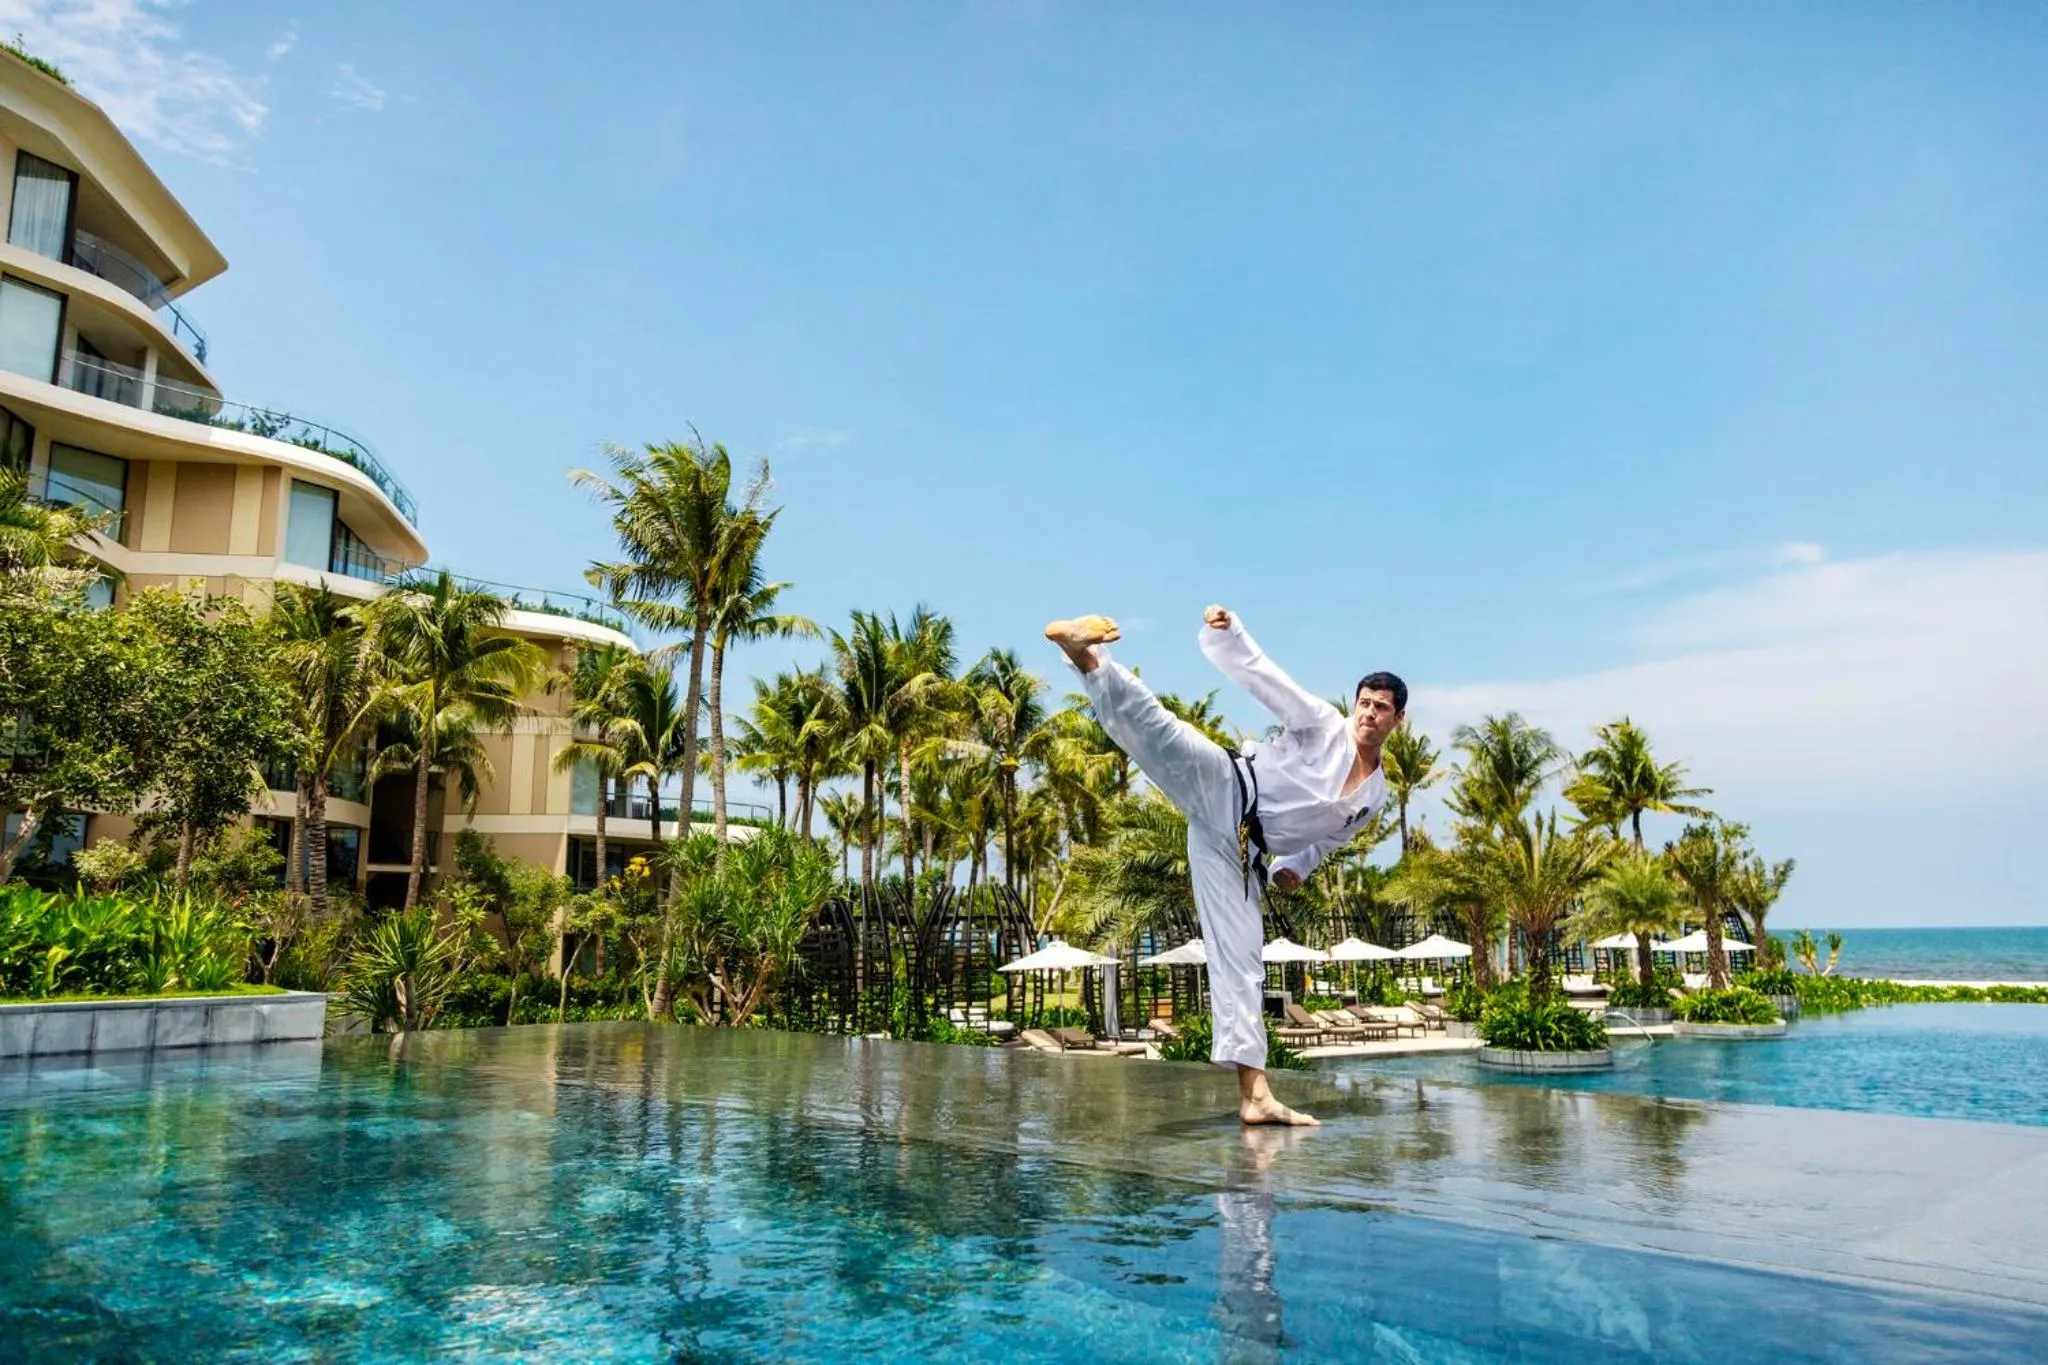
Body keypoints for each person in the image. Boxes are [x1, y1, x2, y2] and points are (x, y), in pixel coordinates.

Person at [1044, 605, 1405, 1126]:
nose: (1369, 713)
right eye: (1365, 703)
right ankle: (1087, 656)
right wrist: (1231, 633)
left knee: (1241, 962)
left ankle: (1255, 1095)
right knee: (1161, 733)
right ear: (1354, 705)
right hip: (1230, 784)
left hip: (1238, 849)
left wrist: (1296, 865)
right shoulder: (1324, 725)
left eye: (1381, 707)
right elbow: (1267, 679)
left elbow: (1329, 840)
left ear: (1397, 718)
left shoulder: (1374, 795)